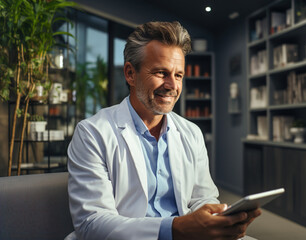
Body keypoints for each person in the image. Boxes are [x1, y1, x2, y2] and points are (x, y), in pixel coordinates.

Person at [66, 21, 261, 240]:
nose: (172, 85)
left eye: (178, 75)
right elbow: (91, 223)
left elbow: (202, 198)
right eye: (161, 72)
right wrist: (174, 229)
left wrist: (219, 220)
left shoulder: (191, 133)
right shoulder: (92, 133)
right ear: (130, 73)